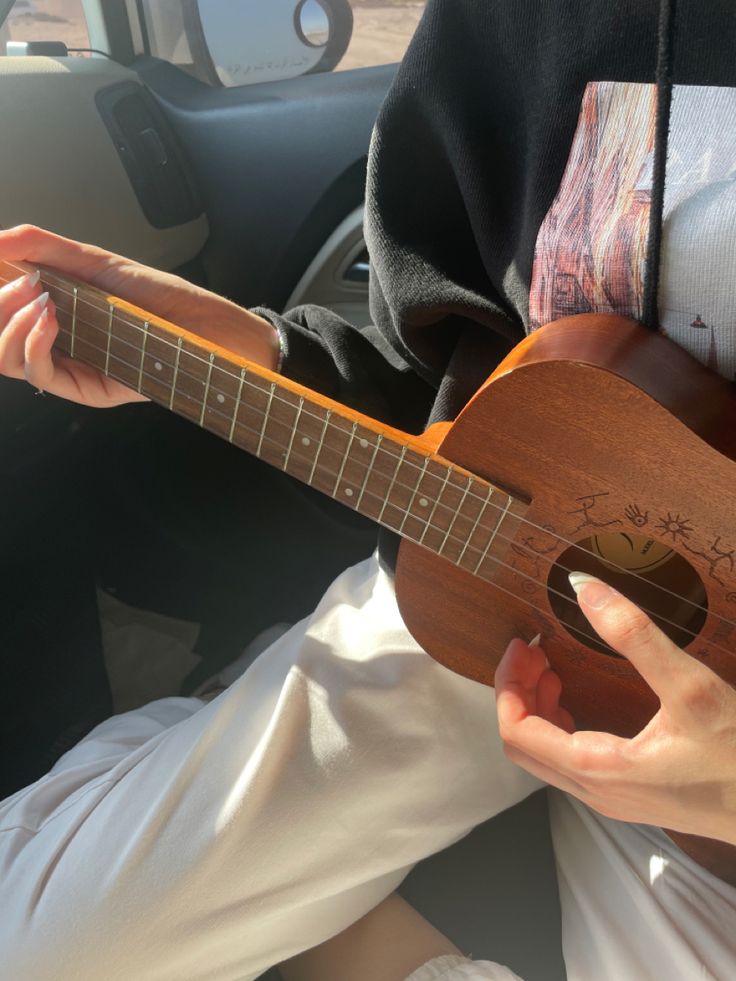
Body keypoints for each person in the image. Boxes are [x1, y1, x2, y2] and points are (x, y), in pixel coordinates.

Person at [0, 0, 735, 978]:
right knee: (48, 952)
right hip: (498, 606)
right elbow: (440, 367)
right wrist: (260, 357)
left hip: (709, 799)